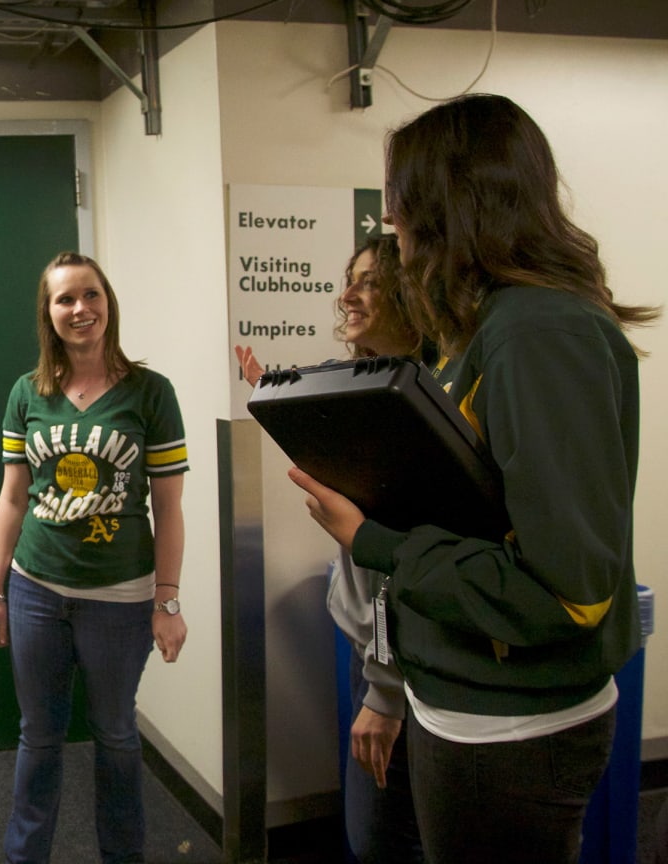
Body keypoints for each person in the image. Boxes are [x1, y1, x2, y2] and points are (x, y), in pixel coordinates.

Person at [288, 93, 658, 864]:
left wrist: (377, 540)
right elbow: (480, 513)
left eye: (400, 199)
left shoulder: (538, 333)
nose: (391, 220)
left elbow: (570, 590)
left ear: (445, 201)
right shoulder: (481, 331)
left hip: (513, 732)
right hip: (461, 705)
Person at [0, 251, 189, 864]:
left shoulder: (151, 393)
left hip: (119, 599)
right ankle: (26, 856)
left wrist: (167, 600)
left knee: (117, 736)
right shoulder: (28, 392)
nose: (81, 309)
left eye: (91, 295)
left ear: (108, 302)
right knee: (38, 738)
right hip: (35, 590)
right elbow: (13, 499)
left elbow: (169, 508)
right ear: (48, 313)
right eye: (66, 299)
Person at [237, 233, 426, 864]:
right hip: (370, 649)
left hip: (396, 664)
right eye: (350, 279)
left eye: (370, 282)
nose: (347, 294)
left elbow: (398, 562)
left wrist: (384, 689)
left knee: (382, 842)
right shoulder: (370, 381)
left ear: (413, 293)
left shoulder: (420, 403)